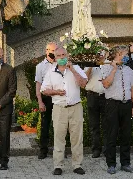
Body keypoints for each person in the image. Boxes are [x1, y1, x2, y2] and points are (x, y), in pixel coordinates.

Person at [41, 47, 88, 176]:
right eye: (59, 55)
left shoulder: (76, 68)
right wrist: (56, 92)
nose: (62, 57)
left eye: (64, 55)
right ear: (55, 58)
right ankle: (58, 165)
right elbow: (44, 90)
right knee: (59, 137)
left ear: (68, 55)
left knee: (77, 137)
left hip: (75, 107)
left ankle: (77, 165)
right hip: (59, 108)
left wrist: (72, 69)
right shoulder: (50, 71)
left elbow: (83, 83)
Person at [101, 45, 133, 174]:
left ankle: (125, 163)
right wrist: (114, 69)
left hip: (126, 105)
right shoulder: (106, 67)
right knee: (111, 135)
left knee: (126, 135)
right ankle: (111, 164)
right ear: (118, 54)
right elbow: (106, 84)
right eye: (125, 53)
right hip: (112, 105)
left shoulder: (129, 69)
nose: (127, 56)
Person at [36, 42, 58, 159]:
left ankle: (59, 150)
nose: (53, 53)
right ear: (46, 51)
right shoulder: (40, 66)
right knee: (45, 125)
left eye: (55, 50)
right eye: (51, 50)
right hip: (46, 98)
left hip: (59, 98)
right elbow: (38, 85)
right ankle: (43, 150)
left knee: (59, 125)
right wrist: (40, 101)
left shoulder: (60, 64)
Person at [84, 54, 107, 158]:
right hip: (92, 96)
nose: (100, 56)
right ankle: (96, 149)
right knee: (94, 125)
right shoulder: (89, 65)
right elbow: (85, 80)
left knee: (107, 124)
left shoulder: (108, 64)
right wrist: (92, 65)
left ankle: (107, 149)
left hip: (106, 96)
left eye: (102, 54)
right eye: (98, 54)